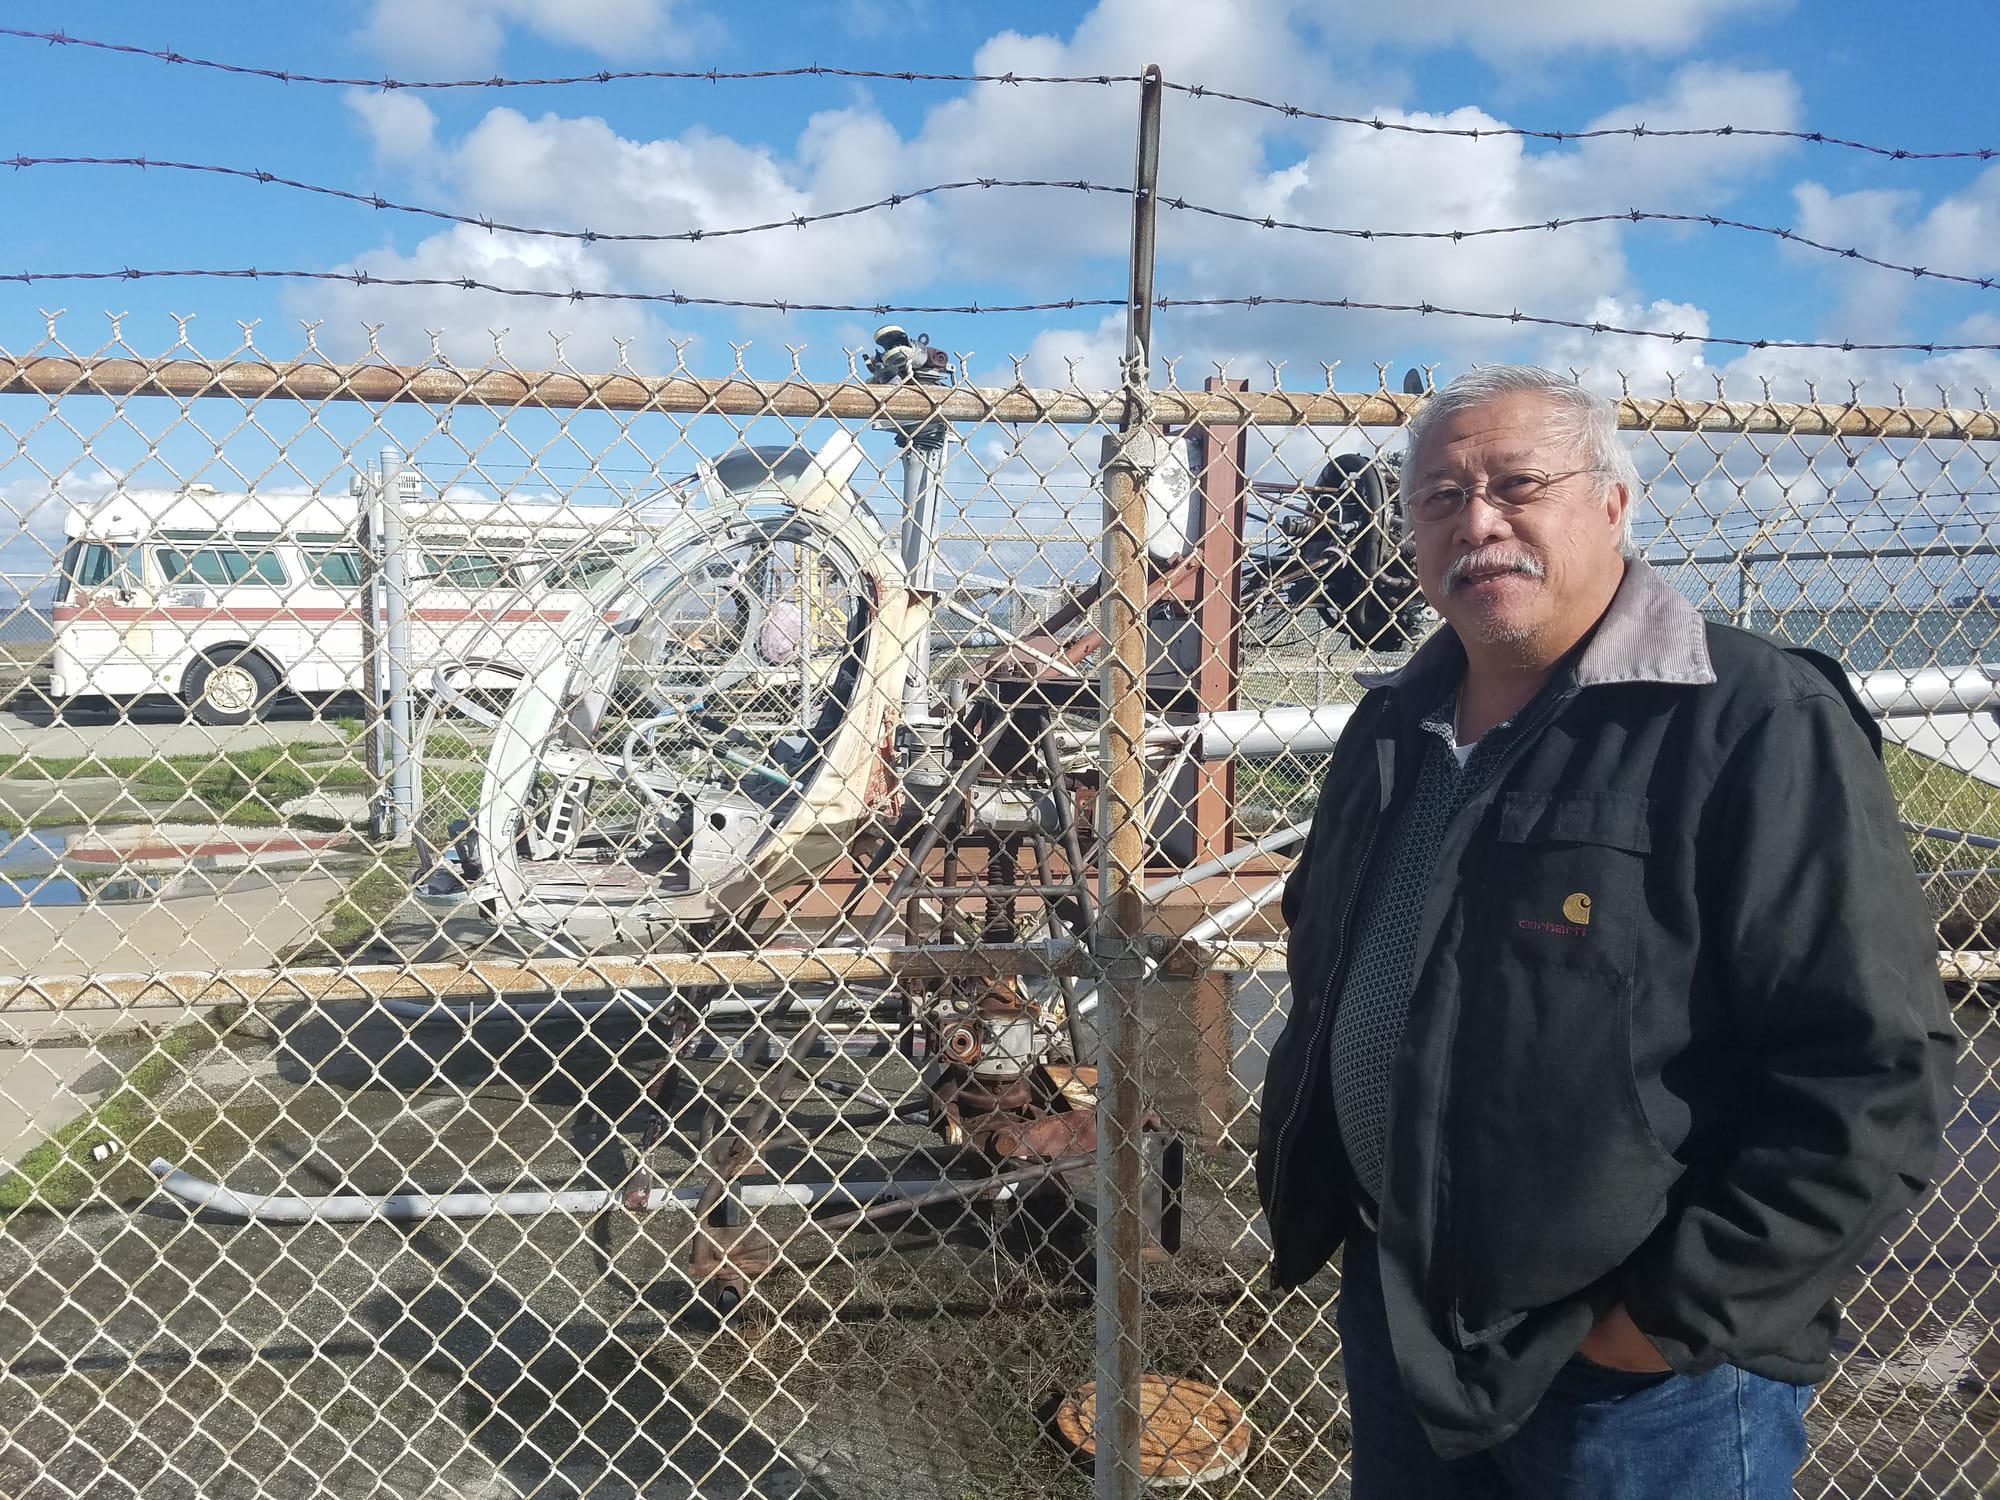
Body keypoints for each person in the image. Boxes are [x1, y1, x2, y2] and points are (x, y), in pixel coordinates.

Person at [1255, 364, 1955, 1497]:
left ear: (1613, 504)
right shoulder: (1387, 728)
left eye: (1515, 484)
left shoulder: (1748, 720)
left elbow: (1868, 1066)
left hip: (1640, 1381)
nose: (1475, 522)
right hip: (1402, 1317)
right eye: (1437, 499)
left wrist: (1665, 1315)